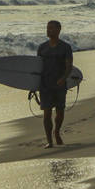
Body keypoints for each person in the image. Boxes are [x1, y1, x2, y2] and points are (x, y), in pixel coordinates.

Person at [37, 20, 73, 148]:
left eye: (51, 28)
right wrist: (34, 86)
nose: (48, 30)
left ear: (58, 30)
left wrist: (63, 78)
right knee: (47, 113)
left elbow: (69, 66)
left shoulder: (65, 47)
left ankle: (56, 131)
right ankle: (49, 141)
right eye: (47, 28)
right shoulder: (42, 48)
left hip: (59, 84)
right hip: (45, 85)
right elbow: (37, 68)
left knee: (60, 111)